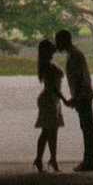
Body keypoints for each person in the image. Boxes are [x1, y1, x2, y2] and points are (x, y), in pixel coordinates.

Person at [53, 27, 93, 171]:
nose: (56, 45)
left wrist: (75, 97)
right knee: (86, 127)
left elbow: (79, 77)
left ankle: (89, 161)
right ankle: (89, 159)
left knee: (87, 127)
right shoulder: (73, 54)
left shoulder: (75, 55)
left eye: (58, 41)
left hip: (82, 95)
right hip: (82, 94)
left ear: (65, 41)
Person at [32, 38, 64, 172]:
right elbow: (52, 87)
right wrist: (64, 98)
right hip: (50, 99)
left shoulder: (48, 64)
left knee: (49, 131)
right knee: (48, 131)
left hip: (52, 99)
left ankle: (48, 158)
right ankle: (46, 159)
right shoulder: (49, 66)